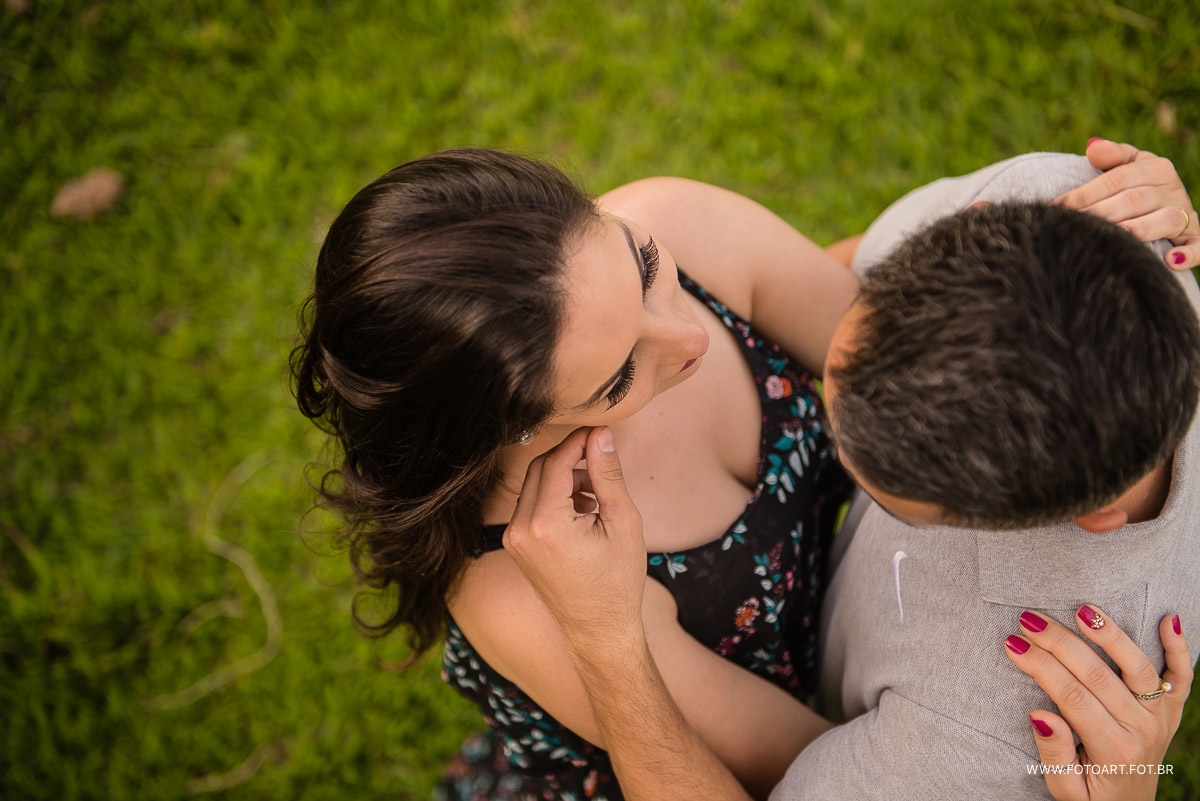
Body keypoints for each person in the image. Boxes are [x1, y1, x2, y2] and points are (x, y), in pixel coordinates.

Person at [291, 142, 1197, 799]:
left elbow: (876, 340)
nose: (690, 339)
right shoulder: (529, 571)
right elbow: (802, 762)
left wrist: (1080, 286)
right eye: (615, 378)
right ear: (507, 433)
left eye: (642, 266)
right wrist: (609, 641)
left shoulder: (672, 219)